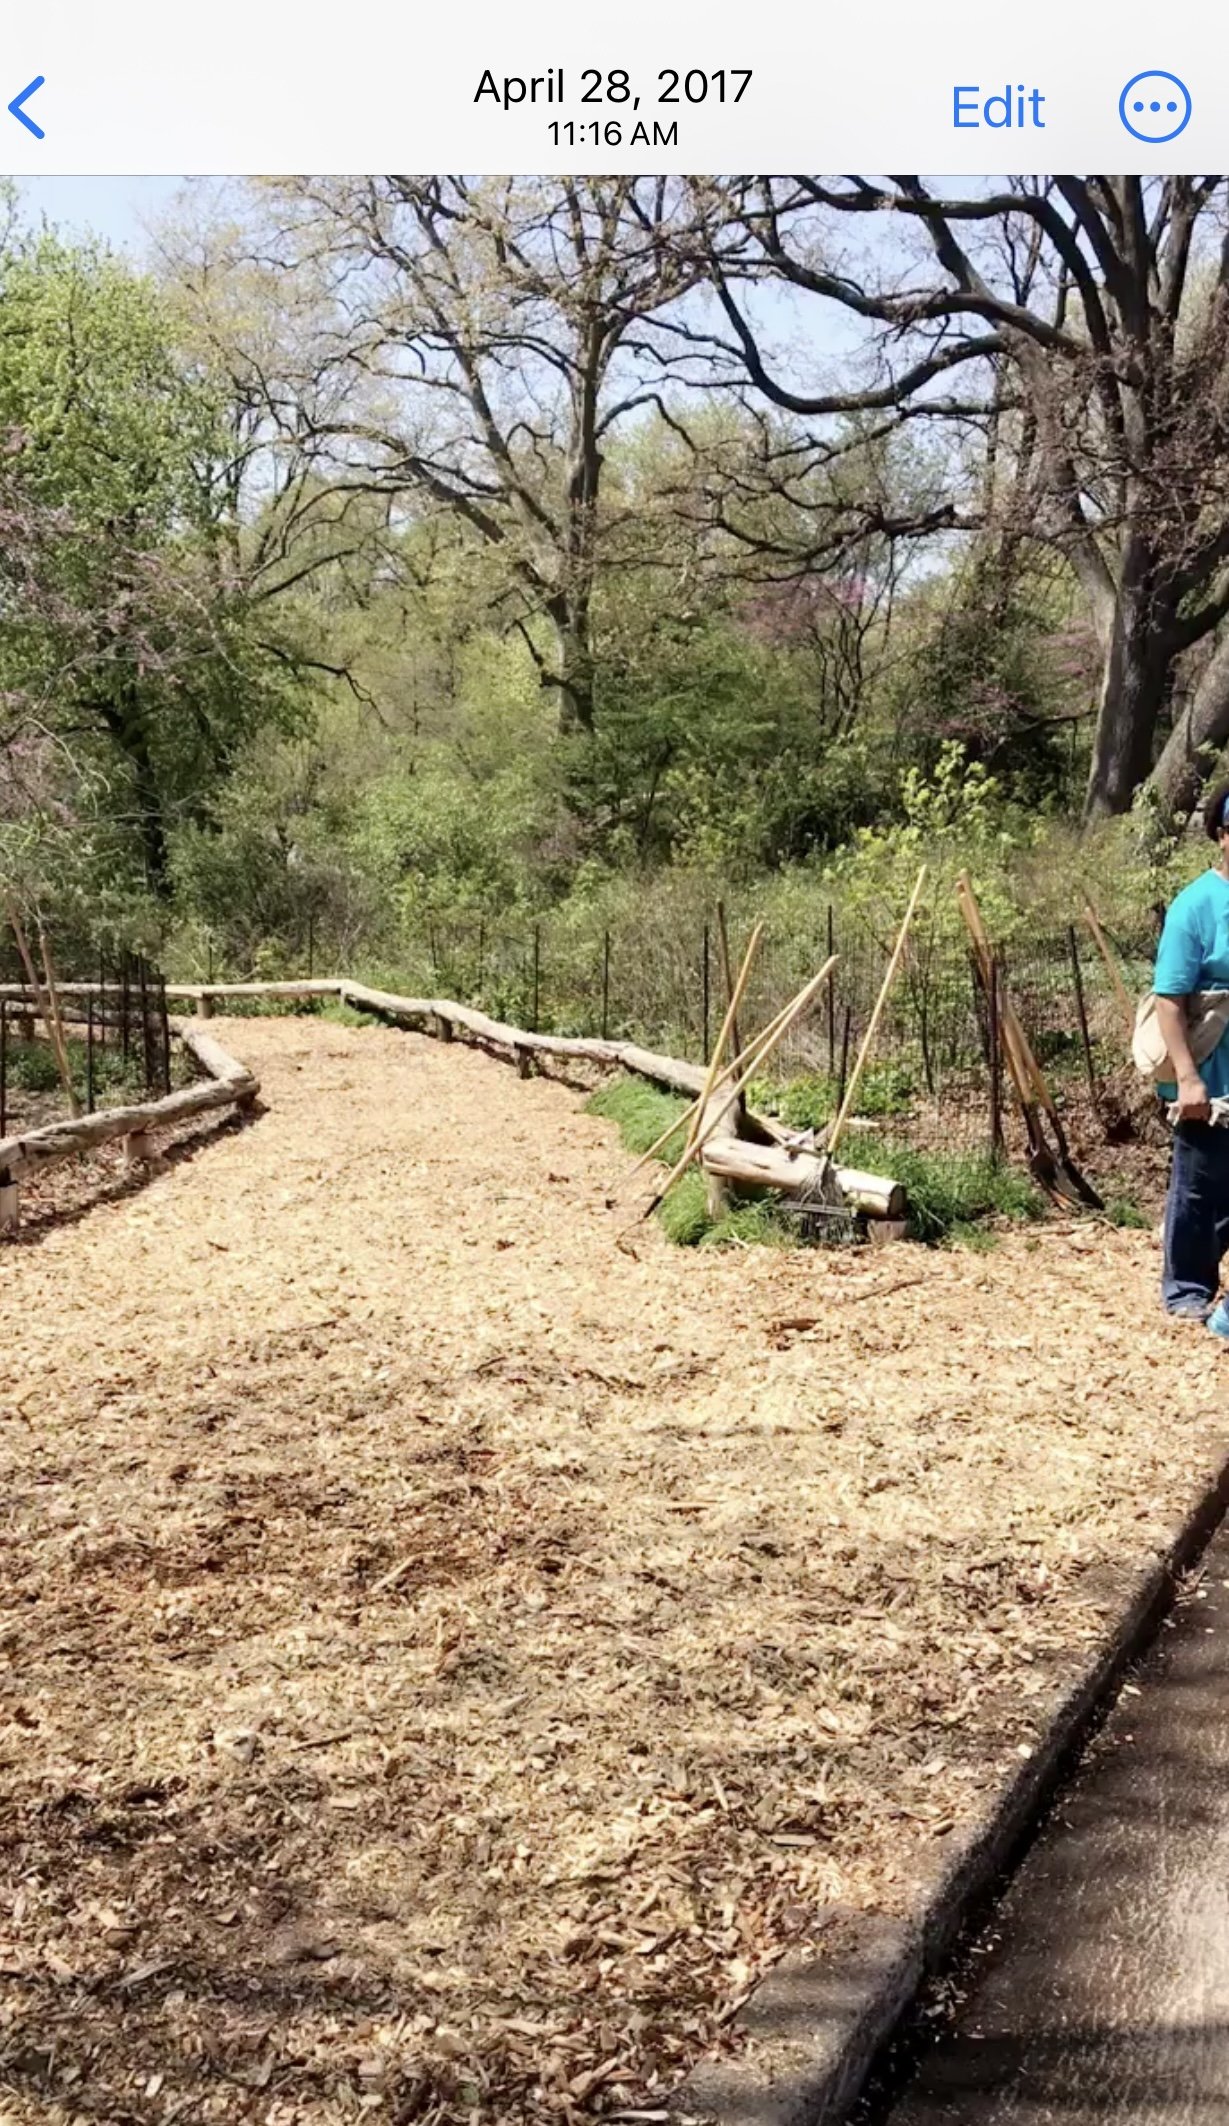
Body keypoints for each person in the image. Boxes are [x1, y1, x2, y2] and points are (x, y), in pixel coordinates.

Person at [1154, 778, 1229, 1334]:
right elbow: (1169, 1000)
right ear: (1221, 836)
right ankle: (1187, 1289)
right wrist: (1187, 1078)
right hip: (1210, 1072)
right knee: (1201, 1188)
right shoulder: (1195, 907)